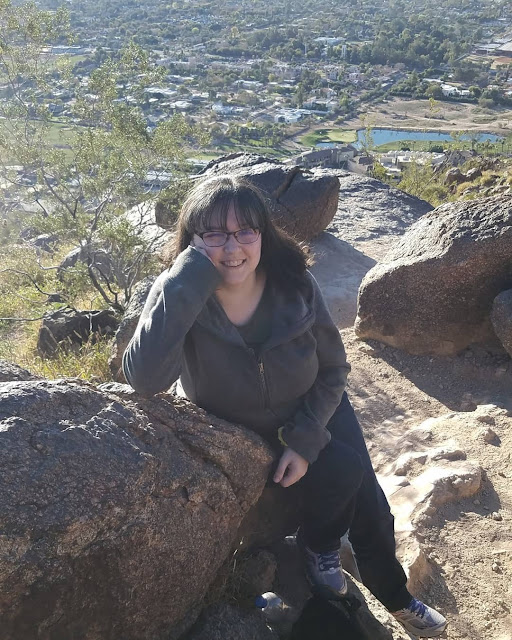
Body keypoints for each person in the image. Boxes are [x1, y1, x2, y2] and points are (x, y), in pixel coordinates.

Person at [122, 175, 447, 638]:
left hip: (316, 407)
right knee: (308, 497)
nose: (231, 247)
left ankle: (388, 593)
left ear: (263, 234)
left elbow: (334, 369)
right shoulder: (179, 291)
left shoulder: (294, 284)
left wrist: (305, 438)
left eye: (244, 231)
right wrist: (187, 278)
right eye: (213, 233)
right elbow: (145, 379)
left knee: (367, 501)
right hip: (239, 428)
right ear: (191, 239)